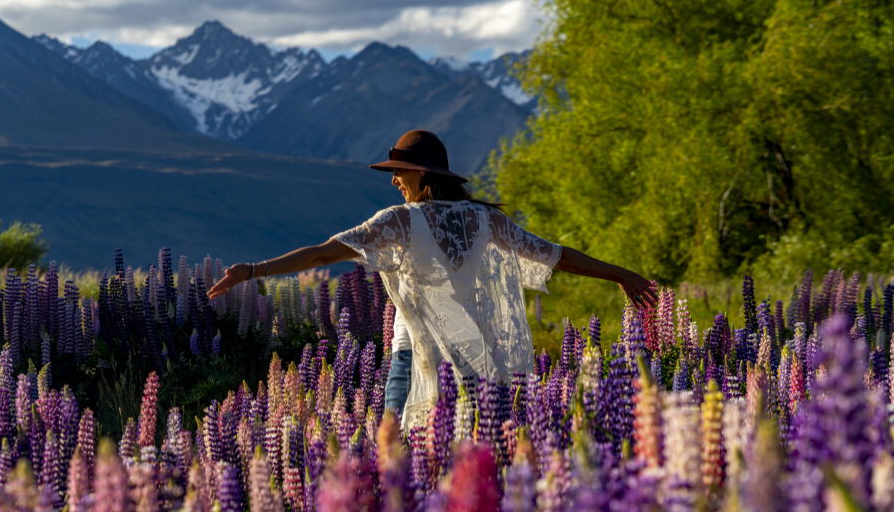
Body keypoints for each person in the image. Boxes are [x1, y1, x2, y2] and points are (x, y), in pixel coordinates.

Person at [207, 130, 656, 428]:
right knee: (471, 455)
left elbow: (325, 251)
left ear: (420, 173)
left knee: (401, 461)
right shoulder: (483, 220)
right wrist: (617, 273)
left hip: (414, 357)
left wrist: (254, 270)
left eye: (398, 173)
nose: (394, 181)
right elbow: (554, 256)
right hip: (476, 359)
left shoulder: (400, 222)